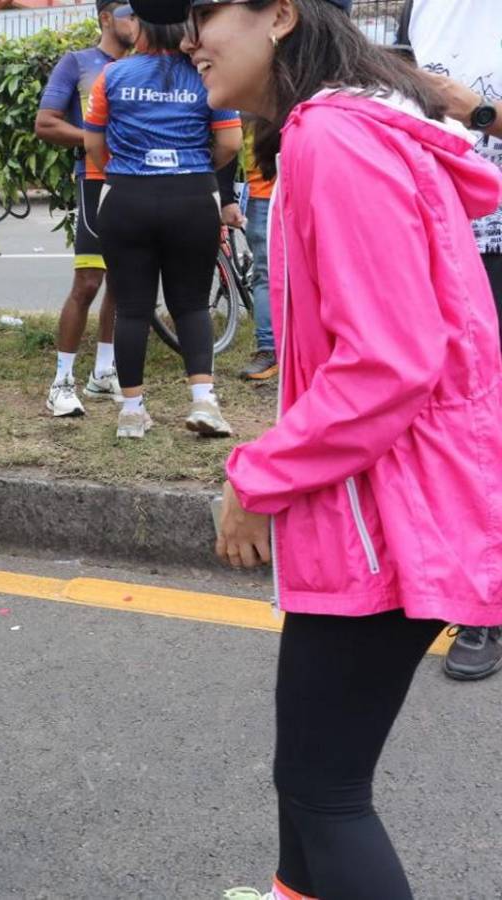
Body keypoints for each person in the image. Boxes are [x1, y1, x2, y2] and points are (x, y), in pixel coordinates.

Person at [191, 0, 502, 897]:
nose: (188, 39)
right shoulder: (361, 123)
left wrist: (255, 478)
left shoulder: (336, 140)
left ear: (280, 15)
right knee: (309, 782)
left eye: (205, 13)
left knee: (326, 791)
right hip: (384, 501)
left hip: (388, 512)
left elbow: (389, 362)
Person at [400, 0, 502, 682]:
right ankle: (481, 604)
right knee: (467, 422)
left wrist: (482, 114)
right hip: (450, 241)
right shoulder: (422, 9)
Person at [83, 16, 241, 438]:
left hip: (125, 196)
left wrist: (123, 172)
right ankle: (204, 401)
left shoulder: (112, 75)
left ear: (143, 27)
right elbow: (230, 143)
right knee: (190, 304)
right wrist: (196, 169)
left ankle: (132, 413)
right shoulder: (205, 73)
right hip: (191, 196)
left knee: (132, 307)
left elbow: (93, 144)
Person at [36, 0, 137, 417]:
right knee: (89, 282)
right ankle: (61, 382)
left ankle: (103, 372)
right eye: (130, 13)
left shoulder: (144, 65)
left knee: (121, 283)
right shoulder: (77, 63)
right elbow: (45, 123)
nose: (137, 21)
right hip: (95, 183)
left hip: (135, 182)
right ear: (106, 18)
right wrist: (94, 138)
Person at [237, 120, 278, 381]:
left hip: (307, 185)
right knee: (265, 273)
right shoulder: (247, 87)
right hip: (261, 193)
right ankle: (268, 349)